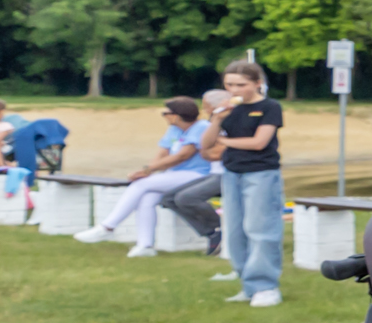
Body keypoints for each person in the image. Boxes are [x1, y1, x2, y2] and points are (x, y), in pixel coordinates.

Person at [76, 98, 213, 252]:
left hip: (198, 174)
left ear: (175, 115)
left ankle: (108, 227)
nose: (164, 116)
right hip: (176, 174)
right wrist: (147, 171)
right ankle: (145, 245)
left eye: (165, 113)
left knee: (140, 185)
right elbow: (163, 152)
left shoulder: (201, 127)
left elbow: (183, 155)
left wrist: (148, 171)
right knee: (147, 198)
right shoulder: (174, 128)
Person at [210, 59, 286, 309]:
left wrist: (226, 142)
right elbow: (206, 143)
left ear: (257, 83)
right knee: (235, 230)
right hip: (232, 173)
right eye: (229, 84)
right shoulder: (228, 110)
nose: (234, 90)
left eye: (241, 84)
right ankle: (247, 283)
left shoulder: (269, 107)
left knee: (261, 228)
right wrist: (217, 120)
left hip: (261, 173)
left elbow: (258, 142)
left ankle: (266, 286)